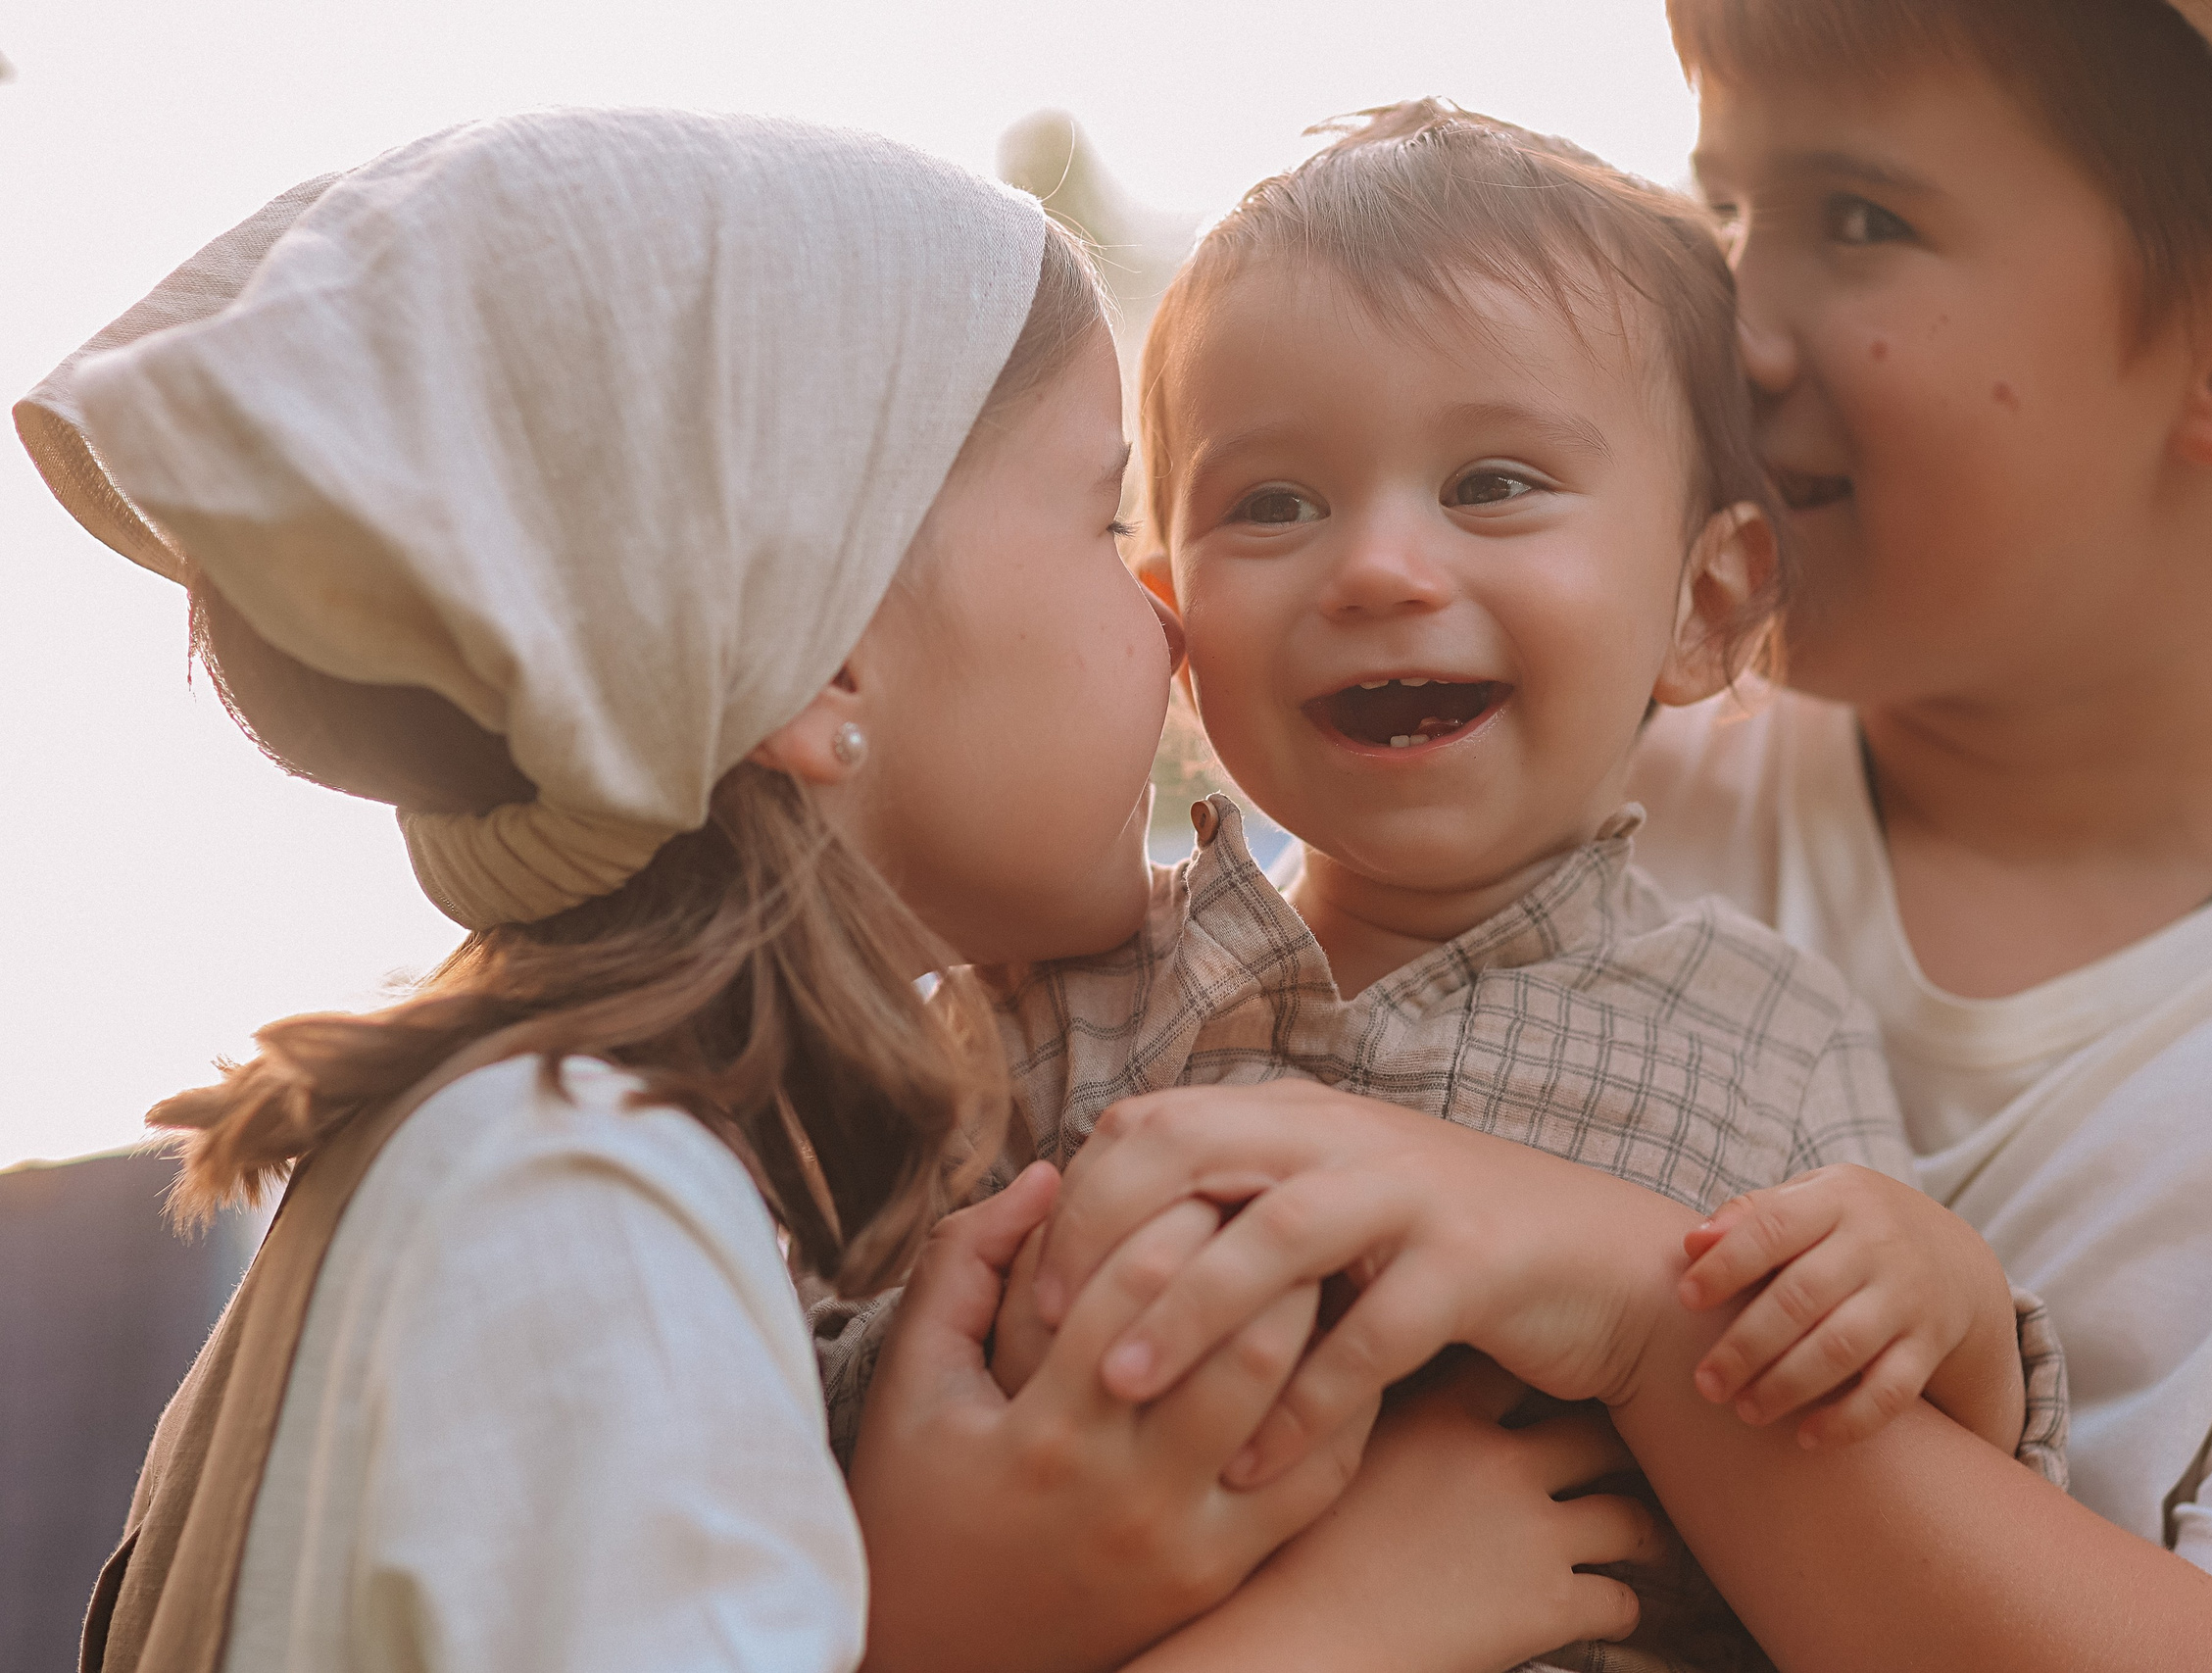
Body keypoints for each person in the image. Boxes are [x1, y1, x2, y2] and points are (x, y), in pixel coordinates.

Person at [18, 109, 1661, 1673]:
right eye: (1099, 517)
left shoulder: (514, 1158)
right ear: (831, 658)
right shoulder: (582, 1219)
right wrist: (1326, 1630)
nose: (1168, 622)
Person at [1003, 1, 2212, 1668]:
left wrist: (1645, 1303)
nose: (1739, 323)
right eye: (1727, 213)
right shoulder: (1528, 748)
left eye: (1860, 221)